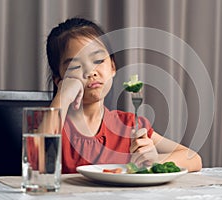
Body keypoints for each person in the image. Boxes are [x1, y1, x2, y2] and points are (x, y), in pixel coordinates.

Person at [46, 17, 202, 173]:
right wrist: (62, 96)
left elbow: (194, 159)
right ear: (58, 79)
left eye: (98, 60)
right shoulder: (52, 125)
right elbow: (35, 162)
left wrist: (155, 160)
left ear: (113, 67)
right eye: (76, 66)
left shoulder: (129, 125)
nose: (90, 72)